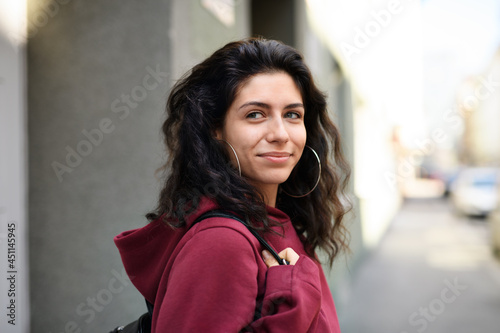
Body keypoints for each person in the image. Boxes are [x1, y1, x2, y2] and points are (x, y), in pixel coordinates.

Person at [114, 38, 351, 332]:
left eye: (292, 114)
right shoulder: (220, 242)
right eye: (255, 114)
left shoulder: (277, 223)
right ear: (215, 128)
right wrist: (292, 305)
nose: (280, 133)